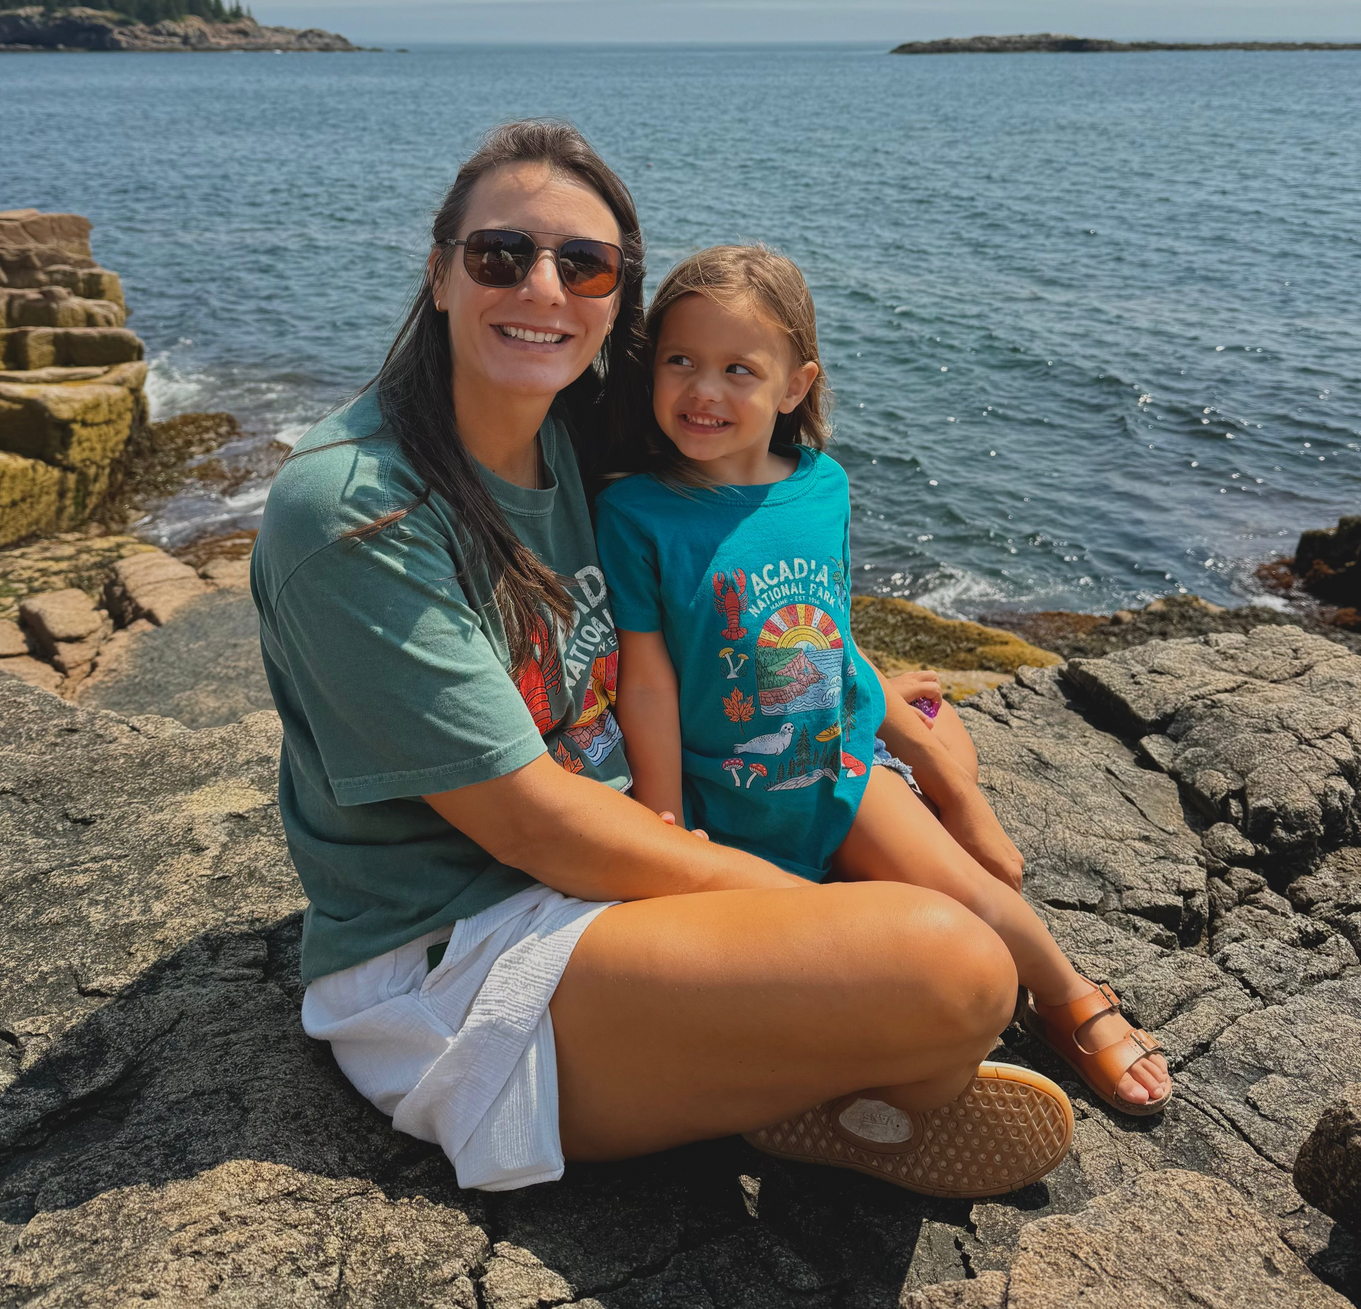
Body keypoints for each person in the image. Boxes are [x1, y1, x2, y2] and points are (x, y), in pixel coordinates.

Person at [252, 119, 1076, 1201]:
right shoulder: (354, 509)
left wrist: (852, 674)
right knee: (958, 962)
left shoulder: (570, 429)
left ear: (611, 302)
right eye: (501, 254)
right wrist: (789, 904)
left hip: (627, 860)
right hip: (472, 950)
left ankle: (774, 1079)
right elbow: (531, 822)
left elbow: (726, 550)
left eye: (582, 264)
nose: (542, 287)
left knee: (920, 864)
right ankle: (810, 1088)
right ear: (441, 273)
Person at [595, 244, 1170, 1119]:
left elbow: (830, 631)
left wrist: (910, 746)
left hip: (840, 771)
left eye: (738, 369)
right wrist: (665, 821)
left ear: (795, 384)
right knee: (805, 975)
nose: (703, 391)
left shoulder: (821, 486)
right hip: (726, 794)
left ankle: (1068, 996)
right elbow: (646, 675)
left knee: (978, 897)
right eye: (681, 361)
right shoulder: (635, 510)